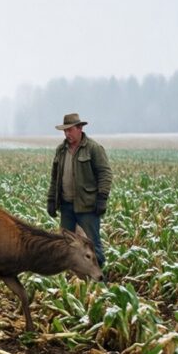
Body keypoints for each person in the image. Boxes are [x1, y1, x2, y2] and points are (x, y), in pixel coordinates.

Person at [46, 113, 113, 267]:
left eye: (70, 130)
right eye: (65, 131)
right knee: (65, 245)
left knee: (92, 245)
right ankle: (73, 280)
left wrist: (102, 197)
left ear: (80, 128)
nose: (67, 134)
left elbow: (105, 174)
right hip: (66, 205)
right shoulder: (61, 150)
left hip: (87, 206)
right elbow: (55, 178)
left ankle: (100, 282)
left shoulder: (93, 148)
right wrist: (51, 200)